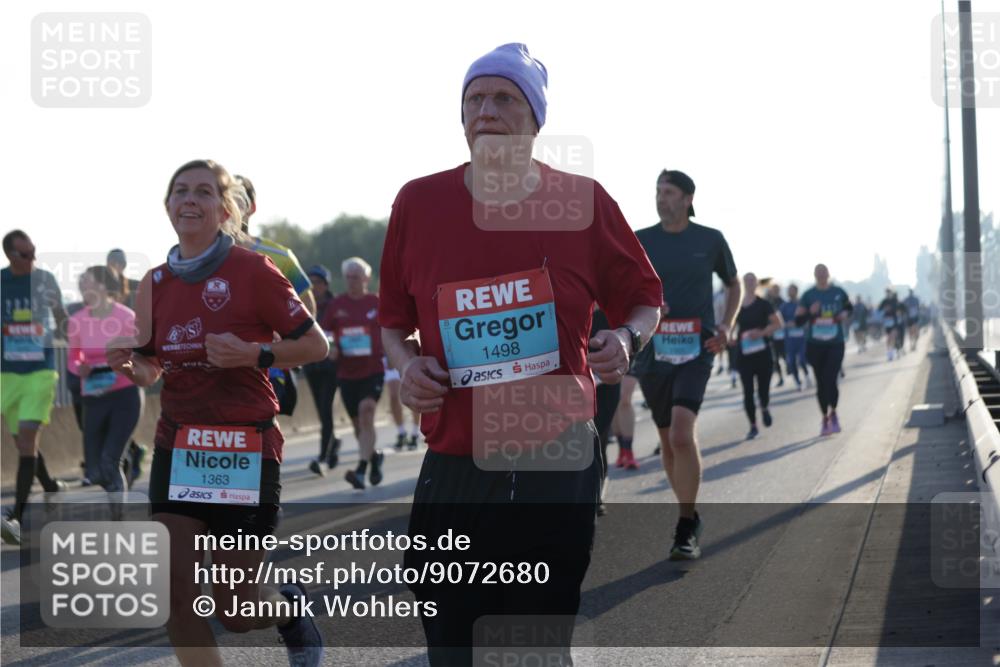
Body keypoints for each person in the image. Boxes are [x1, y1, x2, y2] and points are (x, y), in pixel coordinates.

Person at [379, 43, 662, 665]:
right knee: (451, 644)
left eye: (504, 98)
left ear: (535, 119)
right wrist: (407, 366)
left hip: (554, 456)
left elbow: (644, 299)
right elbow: (393, 323)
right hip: (455, 459)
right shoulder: (419, 203)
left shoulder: (582, 202)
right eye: (474, 98)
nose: (486, 110)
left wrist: (625, 338)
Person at [105, 159, 329, 666]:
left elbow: (316, 345)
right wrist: (130, 365)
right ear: (167, 206)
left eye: (203, 192)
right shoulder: (155, 282)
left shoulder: (254, 271)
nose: (189, 199)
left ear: (225, 209)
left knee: (235, 607)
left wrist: (255, 354)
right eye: (179, 191)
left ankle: (289, 610)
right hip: (179, 444)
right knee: (176, 594)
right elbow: (152, 366)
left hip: (245, 446)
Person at [633, 168, 741, 561]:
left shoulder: (710, 240)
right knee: (665, 439)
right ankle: (688, 515)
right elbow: (624, 286)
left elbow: (734, 284)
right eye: (658, 191)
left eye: (669, 191)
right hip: (652, 351)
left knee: (681, 433)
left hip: (697, 347)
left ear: (688, 199)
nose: (661, 198)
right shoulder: (640, 241)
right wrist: (644, 308)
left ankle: (685, 521)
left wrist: (727, 325)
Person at [1, 230, 68, 545]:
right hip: (7, 376)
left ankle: (15, 518)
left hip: (41, 372)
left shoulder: (45, 280)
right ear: (10, 256)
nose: (32, 260)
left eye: (34, 253)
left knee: (27, 438)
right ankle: (51, 486)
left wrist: (77, 341)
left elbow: (61, 318)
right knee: (23, 444)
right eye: (24, 255)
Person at [67, 266, 143, 493]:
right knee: (94, 470)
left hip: (125, 394)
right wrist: (80, 368)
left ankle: (118, 514)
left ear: (103, 286)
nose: (82, 286)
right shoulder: (77, 320)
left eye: (87, 281)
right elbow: (73, 357)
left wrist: (124, 365)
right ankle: (127, 467)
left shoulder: (126, 317)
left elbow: (140, 354)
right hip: (94, 396)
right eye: (81, 283)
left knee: (110, 461)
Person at [320, 257, 385, 490]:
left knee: (366, 412)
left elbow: (393, 329)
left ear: (366, 278)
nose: (351, 281)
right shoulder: (336, 305)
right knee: (359, 426)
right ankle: (374, 457)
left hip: (373, 370)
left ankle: (360, 471)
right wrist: (331, 347)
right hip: (347, 374)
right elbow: (323, 334)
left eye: (356, 277)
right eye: (348, 277)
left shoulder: (376, 303)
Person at [235, 174, 317, 317]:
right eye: (224, 199)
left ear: (252, 207)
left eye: (237, 199)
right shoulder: (197, 257)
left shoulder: (282, 258)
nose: (230, 207)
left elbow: (307, 312)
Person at [106, 249, 148, 487]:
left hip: (134, 357)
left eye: (116, 263)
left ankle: (129, 455)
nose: (114, 266)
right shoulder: (103, 289)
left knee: (123, 415)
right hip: (108, 357)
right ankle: (132, 452)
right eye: (110, 263)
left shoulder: (134, 288)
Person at [796, 264, 853, 436]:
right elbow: (798, 321)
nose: (821, 275)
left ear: (828, 274)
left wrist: (844, 314)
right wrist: (810, 313)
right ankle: (824, 418)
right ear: (814, 275)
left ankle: (834, 412)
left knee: (831, 378)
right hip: (815, 344)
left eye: (824, 273)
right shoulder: (808, 295)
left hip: (835, 342)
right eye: (818, 273)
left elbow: (849, 308)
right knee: (821, 383)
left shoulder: (838, 292)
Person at [302, 264, 343, 475]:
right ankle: (333, 444)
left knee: (326, 410)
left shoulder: (335, 305)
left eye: (317, 282)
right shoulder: (303, 305)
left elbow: (343, 331)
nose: (314, 286)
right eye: (310, 282)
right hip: (311, 364)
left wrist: (337, 346)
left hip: (331, 365)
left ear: (326, 284)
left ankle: (323, 456)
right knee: (321, 411)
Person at [736, 273, 783, 439]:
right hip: (744, 354)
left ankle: (764, 407)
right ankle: (753, 426)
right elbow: (729, 326)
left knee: (763, 388)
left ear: (757, 284)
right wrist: (731, 338)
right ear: (742, 283)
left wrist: (761, 332)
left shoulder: (764, 304)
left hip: (763, 353)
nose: (749, 283)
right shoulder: (736, 305)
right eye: (746, 281)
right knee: (747, 391)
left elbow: (778, 323)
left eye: (752, 281)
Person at [591, 308, 623, 516]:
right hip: (570, 381)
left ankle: (596, 495)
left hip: (605, 380)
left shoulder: (608, 304)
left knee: (597, 437)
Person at [777, 283, 810, 390]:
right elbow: (778, 321)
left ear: (796, 291)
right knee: (791, 361)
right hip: (789, 339)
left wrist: (799, 324)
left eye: (792, 290)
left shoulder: (802, 304)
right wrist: (785, 324)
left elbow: (808, 319)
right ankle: (797, 382)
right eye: (788, 290)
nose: (790, 292)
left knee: (802, 359)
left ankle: (806, 375)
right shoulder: (784, 306)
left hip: (802, 338)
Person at [385, 356, 422, 450]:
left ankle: (415, 432)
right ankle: (401, 432)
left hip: (408, 357)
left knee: (413, 394)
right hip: (391, 358)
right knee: (393, 396)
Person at [763, 281, 786, 387]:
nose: (775, 291)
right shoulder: (767, 302)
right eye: (773, 289)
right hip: (772, 334)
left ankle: (789, 367)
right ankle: (780, 377)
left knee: (785, 355)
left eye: (777, 289)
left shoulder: (783, 302)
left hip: (783, 334)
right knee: (775, 357)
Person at [877, 288, 900, 361]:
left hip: (894, 321)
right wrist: (884, 309)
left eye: (889, 293)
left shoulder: (895, 300)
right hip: (886, 322)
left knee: (892, 337)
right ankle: (889, 353)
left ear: (891, 293)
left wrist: (892, 309)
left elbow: (898, 309)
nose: (888, 294)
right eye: (886, 293)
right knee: (888, 338)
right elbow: (879, 309)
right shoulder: (884, 301)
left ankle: (892, 354)